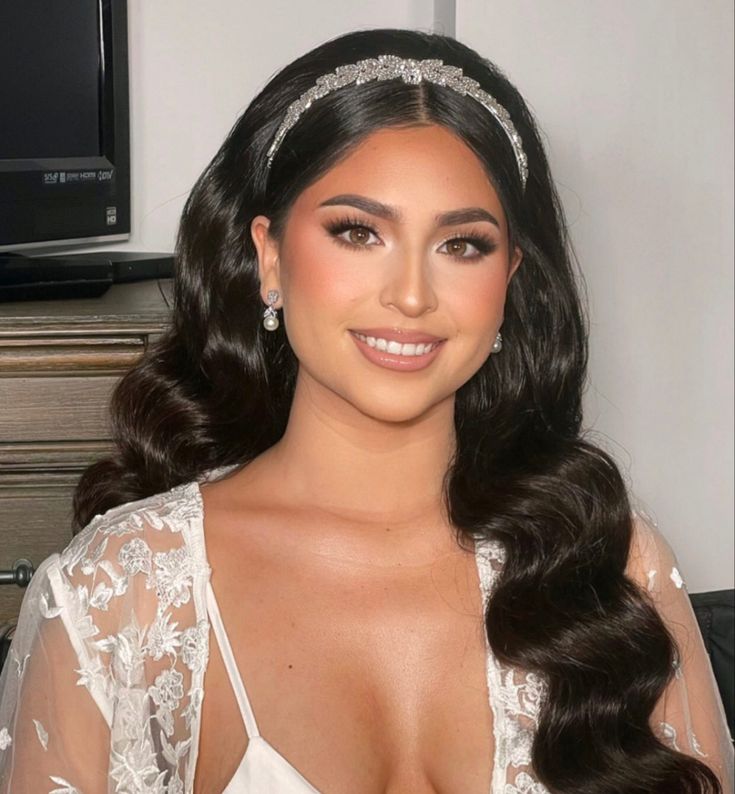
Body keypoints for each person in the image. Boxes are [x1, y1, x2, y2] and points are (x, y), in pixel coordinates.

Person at [0, 27, 732, 794]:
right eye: (357, 232)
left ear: (510, 278)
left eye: (462, 245)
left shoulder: (610, 563)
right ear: (269, 256)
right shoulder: (116, 595)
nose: (411, 295)